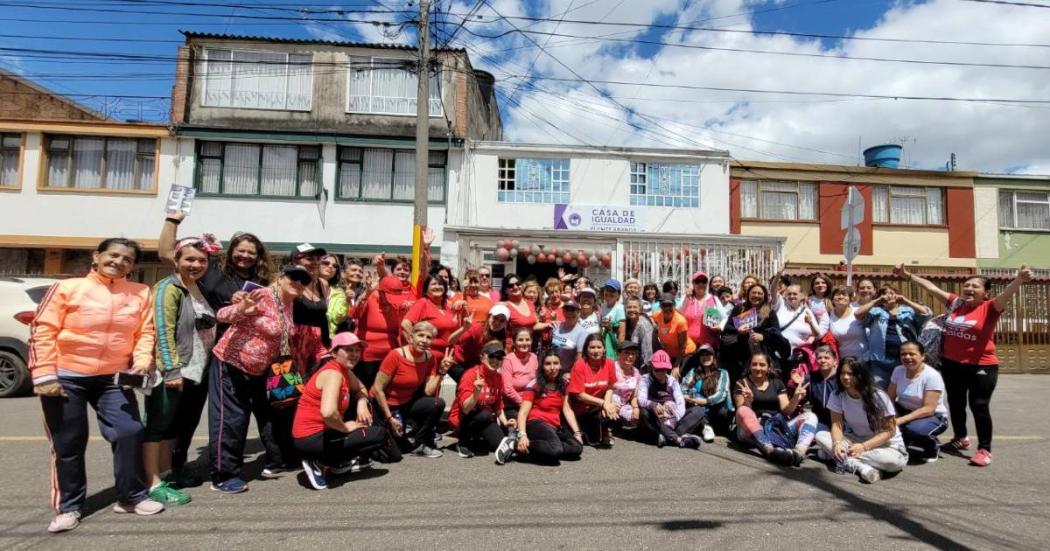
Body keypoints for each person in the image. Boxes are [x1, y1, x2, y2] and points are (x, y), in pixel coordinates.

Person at [30, 238, 164, 533]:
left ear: (133, 265)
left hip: (114, 377)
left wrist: (141, 362)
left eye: (127, 259)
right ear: (97, 256)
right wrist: (44, 374)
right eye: (113, 255)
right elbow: (43, 329)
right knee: (68, 443)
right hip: (66, 375)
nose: (118, 262)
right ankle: (70, 506)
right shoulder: (68, 287)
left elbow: (145, 332)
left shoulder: (140, 292)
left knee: (130, 432)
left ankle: (131, 497)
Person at [158, 212, 273, 485]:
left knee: (220, 414)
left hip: (242, 357)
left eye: (251, 252)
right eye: (240, 250)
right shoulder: (212, 274)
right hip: (205, 354)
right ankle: (171, 469)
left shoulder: (262, 283)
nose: (244, 256)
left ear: (258, 256)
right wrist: (173, 221)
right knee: (184, 415)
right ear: (230, 252)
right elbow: (166, 254)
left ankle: (179, 468)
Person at [901, 265, 1032, 466]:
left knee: (979, 406)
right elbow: (932, 289)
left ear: (985, 292)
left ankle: (984, 449)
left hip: (982, 366)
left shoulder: (990, 307)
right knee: (956, 403)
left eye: (975, 286)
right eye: (967, 285)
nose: (969, 288)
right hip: (952, 364)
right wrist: (908, 275)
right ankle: (960, 439)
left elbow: (1007, 294)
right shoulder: (957, 304)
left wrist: (1019, 280)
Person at [209, 265, 321, 494]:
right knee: (232, 420)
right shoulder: (262, 294)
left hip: (262, 370)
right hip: (231, 364)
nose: (299, 282)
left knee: (271, 415)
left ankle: (278, 459)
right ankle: (224, 475)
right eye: (294, 277)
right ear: (280, 277)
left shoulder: (288, 304)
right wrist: (242, 310)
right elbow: (221, 315)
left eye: (304, 280)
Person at [143, 236, 219, 506]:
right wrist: (172, 370)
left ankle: (168, 474)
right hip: (174, 370)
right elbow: (163, 330)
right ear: (176, 260)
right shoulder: (168, 288)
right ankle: (152, 482)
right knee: (157, 426)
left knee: (176, 426)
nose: (196, 264)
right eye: (189, 259)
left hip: (197, 370)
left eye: (201, 260)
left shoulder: (197, 288)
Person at [293, 333, 387, 491]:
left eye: (357, 350)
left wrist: (362, 403)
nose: (355, 354)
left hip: (320, 433)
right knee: (378, 434)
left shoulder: (343, 370)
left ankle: (336, 462)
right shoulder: (333, 374)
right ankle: (319, 461)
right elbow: (328, 413)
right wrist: (345, 427)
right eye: (349, 350)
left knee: (373, 431)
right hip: (312, 437)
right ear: (334, 353)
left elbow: (362, 388)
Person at [814, 358, 907, 483]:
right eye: (842, 373)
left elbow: (890, 431)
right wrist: (837, 444)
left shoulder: (878, 396)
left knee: (891, 462)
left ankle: (837, 457)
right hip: (856, 440)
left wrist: (863, 447)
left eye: (851, 374)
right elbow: (837, 425)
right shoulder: (837, 395)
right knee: (820, 435)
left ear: (861, 375)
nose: (845, 377)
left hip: (887, 446)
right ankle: (861, 467)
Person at [372, 321, 447, 460]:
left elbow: (429, 392)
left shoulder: (430, 357)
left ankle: (422, 444)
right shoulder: (395, 355)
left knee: (437, 404)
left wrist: (441, 372)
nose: (424, 340)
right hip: (384, 406)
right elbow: (377, 389)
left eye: (429, 337)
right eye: (421, 335)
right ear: (411, 337)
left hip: (405, 405)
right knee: (393, 455)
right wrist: (389, 417)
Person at [732, 352, 817, 467]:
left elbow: (786, 411)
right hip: (751, 430)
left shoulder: (777, 383)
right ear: (749, 366)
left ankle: (799, 453)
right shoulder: (741, 384)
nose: (758, 368)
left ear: (768, 367)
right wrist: (748, 401)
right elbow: (741, 414)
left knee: (811, 416)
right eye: (754, 364)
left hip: (775, 427)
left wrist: (796, 398)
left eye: (762, 365)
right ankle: (770, 450)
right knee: (743, 410)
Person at [449, 342, 518, 463]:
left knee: (499, 444)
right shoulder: (471, 374)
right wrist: (476, 392)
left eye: (499, 358)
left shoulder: (498, 377)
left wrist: (505, 422)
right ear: (482, 357)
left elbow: (498, 405)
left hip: (484, 420)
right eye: (491, 356)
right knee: (485, 414)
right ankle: (463, 442)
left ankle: (477, 438)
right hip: (462, 419)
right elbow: (465, 409)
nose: (495, 360)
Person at [514, 351, 585, 464]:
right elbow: (522, 413)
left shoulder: (564, 384)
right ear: (542, 366)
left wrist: (577, 433)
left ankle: (546, 448)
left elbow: (567, 410)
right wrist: (522, 435)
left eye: (556, 363)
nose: (552, 367)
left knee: (577, 448)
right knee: (555, 450)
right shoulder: (535, 384)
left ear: (560, 365)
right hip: (535, 423)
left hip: (554, 427)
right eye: (548, 364)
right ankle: (515, 444)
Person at [855, 284, 931, 387]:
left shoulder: (908, 311)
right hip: (880, 362)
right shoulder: (875, 311)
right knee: (879, 393)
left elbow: (927, 314)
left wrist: (906, 301)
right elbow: (858, 314)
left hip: (905, 361)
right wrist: (876, 301)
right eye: (884, 294)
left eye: (891, 293)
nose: (888, 296)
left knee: (904, 394)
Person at [354, 269, 417, 389]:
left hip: (389, 355)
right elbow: (353, 313)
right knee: (366, 388)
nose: (392, 300)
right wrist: (365, 295)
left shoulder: (397, 304)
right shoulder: (370, 297)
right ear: (380, 291)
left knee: (382, 388)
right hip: (367, 354)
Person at [888, 341, 949, 463]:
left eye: (912, 354)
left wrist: (900, 421)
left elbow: (928, 409)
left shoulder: (932, 376)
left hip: (932, 416)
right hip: (905, 410)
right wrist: (891, 417)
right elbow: (889, 398)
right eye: (903, 354)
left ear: (922, 356)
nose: (907, 357)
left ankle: (933, 446)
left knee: (915, 430)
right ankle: (907, 437)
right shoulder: (898, 370)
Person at [720, 283, 789, 382]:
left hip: (762, 356)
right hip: (741, 358)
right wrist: (738, 331)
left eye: (759, 293)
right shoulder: (739, 309)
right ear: (748, 295)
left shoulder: (769, 312)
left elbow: (777, 333)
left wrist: (763, 336)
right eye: (753, 293)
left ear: (764, 296)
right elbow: (727, 329)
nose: (756, 295)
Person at [637, 350, 705, 449]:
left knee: (698, 411)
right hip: (656, 417)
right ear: (652, 367)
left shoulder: (672, 381)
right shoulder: (645, 379)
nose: (661, 372)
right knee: (644, 412)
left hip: (672, 417)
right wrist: (653, 405)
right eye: (657, 369)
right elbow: (641, 399)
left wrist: (674, 417)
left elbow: (680, 401)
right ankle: (678, 439)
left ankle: (664, 437)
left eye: (664, 369)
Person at [402, 274, 467, 366]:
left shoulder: (447, 307)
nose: (437, 286)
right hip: (429, 357)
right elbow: (405, 324)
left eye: (440, 284)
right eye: (433, 284)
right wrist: (415, 343)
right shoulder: (423, 303)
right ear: (426, 289)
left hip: (449, 357)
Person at [567, 334, 619, 446]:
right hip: (582, 409)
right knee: (591, 440)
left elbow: (610, 387)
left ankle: (605, 430)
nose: (596, 351)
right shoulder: (579, 365)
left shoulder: (609, 363)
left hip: (597, 407)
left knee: (615, 407)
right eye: (592, 347)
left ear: (604, 349)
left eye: (599, 347)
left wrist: (608, 404)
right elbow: (579, 395)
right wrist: (603, 403)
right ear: (586, 349)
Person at [680, 344, 731, 438]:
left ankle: (704, 426)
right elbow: (683, 387)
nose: (705, 357)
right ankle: (705, 426)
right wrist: (687, 396)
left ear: (714, 357)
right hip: (696, 405)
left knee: (722, 411)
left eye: (708, 354)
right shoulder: (693, 371)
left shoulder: (722, 373)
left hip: (714, 409)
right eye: (702, 355)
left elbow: (721, 394)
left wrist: (705, 401)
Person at [448, 305, 509, 383]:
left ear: (505, 323)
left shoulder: (503, 336)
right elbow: (451, 341)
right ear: (489, 317)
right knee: (469, 382)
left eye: (502, 321)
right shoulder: (477, 328)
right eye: (495, 318)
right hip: (459, 363)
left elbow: (503, 356)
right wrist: (464, 329)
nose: (497, 322)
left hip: (477, 365)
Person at [290, 243, 332, 346]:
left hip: (320, 343)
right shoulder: (289, 284)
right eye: (310, 258)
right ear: (295, 261)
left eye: (318, 258)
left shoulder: (323, 284)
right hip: (297, 345)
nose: (316, 262)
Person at [774, 284, 828, 354]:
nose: (791, 296)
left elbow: (817, 334)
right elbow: (773, 291)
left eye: (795, 294)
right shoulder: (781, 305)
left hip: (799, 354)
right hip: (778, 354)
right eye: (789, 294)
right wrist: (777, 276)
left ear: (801, 296)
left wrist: (810, 322)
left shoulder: (807, 311)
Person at [501, 327, 538, 422]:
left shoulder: (534, 357)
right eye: (520, 340)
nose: (524, 343)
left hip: (531, 401)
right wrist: (523, 403)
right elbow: (508, 389)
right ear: (514, 342)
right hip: (513, 404)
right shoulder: (508, 360)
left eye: (527, 339)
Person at [680, 271, 722, 351]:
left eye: (704, 281)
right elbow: (679, 315)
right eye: (697, 281)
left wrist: (720, 326)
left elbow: (725, 317)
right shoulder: (686, 298)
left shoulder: (714, 299)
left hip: (708, 346)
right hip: (688, 345)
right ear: (693, 284)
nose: (700, 284)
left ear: (707, 284)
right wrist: (686, 299)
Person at [653, 293, 694, 373]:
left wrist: (676, 366)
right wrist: (653, 324)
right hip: (670, 353)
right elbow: (649, 317)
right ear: (660, 306)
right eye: (664, 305)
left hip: (685, 353)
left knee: (676, 375)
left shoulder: (680, 321)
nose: (667, 308)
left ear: (674, 306)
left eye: (670, 305)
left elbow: (683, 346)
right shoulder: (657, 315)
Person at [827, 286, 868, 362]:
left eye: (844, 294)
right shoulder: (828, 316)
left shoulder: (859, 312)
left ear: (850, 299)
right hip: (842, 361)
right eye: (837, 294)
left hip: (864, 360)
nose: (840, 297)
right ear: (832, 299)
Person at [501, 273, 549, 338]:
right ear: (505, 290)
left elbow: (534, 326)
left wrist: (550, 324)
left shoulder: (530, 304)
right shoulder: (504, 306)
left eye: (517, 284)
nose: (515, 287)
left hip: (529, 344)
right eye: (510, 286)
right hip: (513, 345)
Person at [610, 341, 642, 433]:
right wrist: (608, 403)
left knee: (638, 416)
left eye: (633, 354)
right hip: (608, 403)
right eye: (627, 353)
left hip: (624, 405)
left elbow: (634, 396)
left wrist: (635, 408)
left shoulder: (636, 373)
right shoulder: (611, 367)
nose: (630, 356)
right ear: (618, 354)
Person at [807, 345, 840, 430]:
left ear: (835, 360)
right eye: (819, 358)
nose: (823, 360)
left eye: (827, 358)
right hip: (819, 421)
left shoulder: (840, 378)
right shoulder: (811, 377)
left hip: (839, 421)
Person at [551, 299, 589, 371]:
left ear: (579, 313)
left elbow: (579, 359)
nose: (570, 312)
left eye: (573, 310)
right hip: (553, 369)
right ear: (563, 312)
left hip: (568, 371)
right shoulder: (557, 327)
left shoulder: (582, 332)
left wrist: (572, 374)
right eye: (567, 309)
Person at [619, 296, 656, 364]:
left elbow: (647, 352)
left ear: (640, 309)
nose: (632, 310)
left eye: (635, 307)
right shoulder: (627, 322)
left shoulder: (643, 325)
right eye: (629, 307)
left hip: (644, 364)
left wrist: (644, 370)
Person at [599, 279, 626, 360]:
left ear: (618, 294)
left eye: (612, 291)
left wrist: (619, 352)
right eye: (607, 290)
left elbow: (622, 334)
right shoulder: (603, 306)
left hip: (613, 346)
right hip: (603, 343)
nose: (609, 293)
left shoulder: (620, 308)